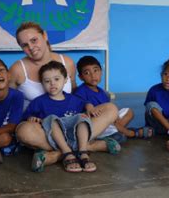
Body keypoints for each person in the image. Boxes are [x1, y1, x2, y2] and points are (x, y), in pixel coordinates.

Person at [9, 22, 118, 170]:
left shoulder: (67, 63)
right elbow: (9, 103)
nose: (31, 47)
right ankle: (85, 147)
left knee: (111, 108)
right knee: (23, 131)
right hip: (42, 128)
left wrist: (88, 106)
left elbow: (75, 95)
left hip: (72, 122)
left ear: (45, 36)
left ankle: (57, 154)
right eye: (24, 45)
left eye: (34, 40)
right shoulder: (17, 69)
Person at [23, 61, 96, 173]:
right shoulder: (39, 102)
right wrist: (33, 119)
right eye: (47, 81)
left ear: (65, 80)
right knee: (51, 118)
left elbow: (85, 104)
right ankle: (67, 153)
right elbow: (27, 118)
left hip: (74, 137)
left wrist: (89, 106)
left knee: (82, 118)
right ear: (42, 83)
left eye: (57, 79)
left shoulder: (73, 99)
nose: (52, 83)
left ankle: (83, 152)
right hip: (54, 139)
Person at [74, 56, 154, 143]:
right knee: (114, 128)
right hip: (96, 122)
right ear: (81, 77)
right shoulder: (81, 90)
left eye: (95, 70)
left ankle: (116, 131)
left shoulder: (102, 92)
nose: (93, 75)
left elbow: (109, 109)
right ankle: (131, 133)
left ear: (101, 72)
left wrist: (114, 117)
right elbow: (81, 105)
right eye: (87, 73)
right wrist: (89, 107)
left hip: (109, 122)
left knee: (129, 111)